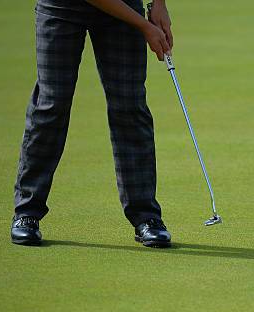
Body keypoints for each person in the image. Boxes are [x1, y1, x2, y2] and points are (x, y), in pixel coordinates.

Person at [11, 0, 174, 248]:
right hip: (61, 7)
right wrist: (144, 25)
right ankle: (27, 213)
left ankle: (147, 218)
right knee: (51, 105)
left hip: (125, 10)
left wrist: (159, 3)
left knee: (130, 107)